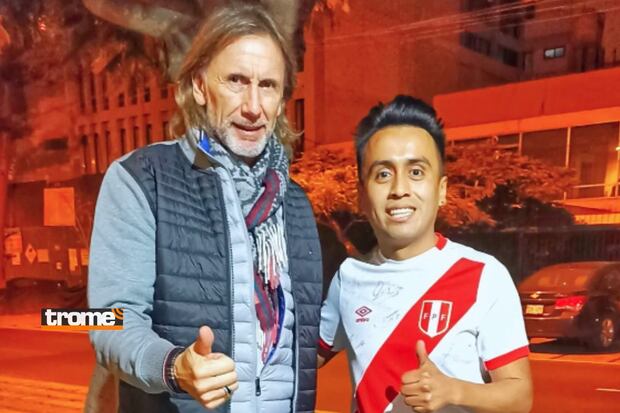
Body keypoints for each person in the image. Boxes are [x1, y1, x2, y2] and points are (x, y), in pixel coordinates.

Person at [87, 3, 323, 413]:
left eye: (268, 85)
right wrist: (173, 367)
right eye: (236, 81)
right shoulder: (143, 179)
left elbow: (303, 337)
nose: (253, 106)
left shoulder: (295, 202)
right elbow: (111, 321)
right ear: (199, 86)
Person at [317, 95, 533, 413]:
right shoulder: (348, 278)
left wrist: (453, 390)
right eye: (383, 174)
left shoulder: (485, 275)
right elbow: (301, 358)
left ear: (441, 190)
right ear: (362, 196)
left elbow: (520, 396)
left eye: (416, 172)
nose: (399, 189)